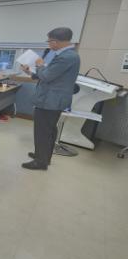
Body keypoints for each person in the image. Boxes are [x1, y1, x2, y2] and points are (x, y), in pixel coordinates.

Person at [20, 27, 80, 171]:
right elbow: (51, 76)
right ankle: (43, 156)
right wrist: (30, 72)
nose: (49, 44)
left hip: (50, 100)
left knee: (43, 130)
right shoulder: (69, 55)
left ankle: (40, 162)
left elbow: (46, 76)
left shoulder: (66, 56)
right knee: (49, 130)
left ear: (56, 41)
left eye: (49, 41)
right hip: (52, 99)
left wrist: (40, 65)